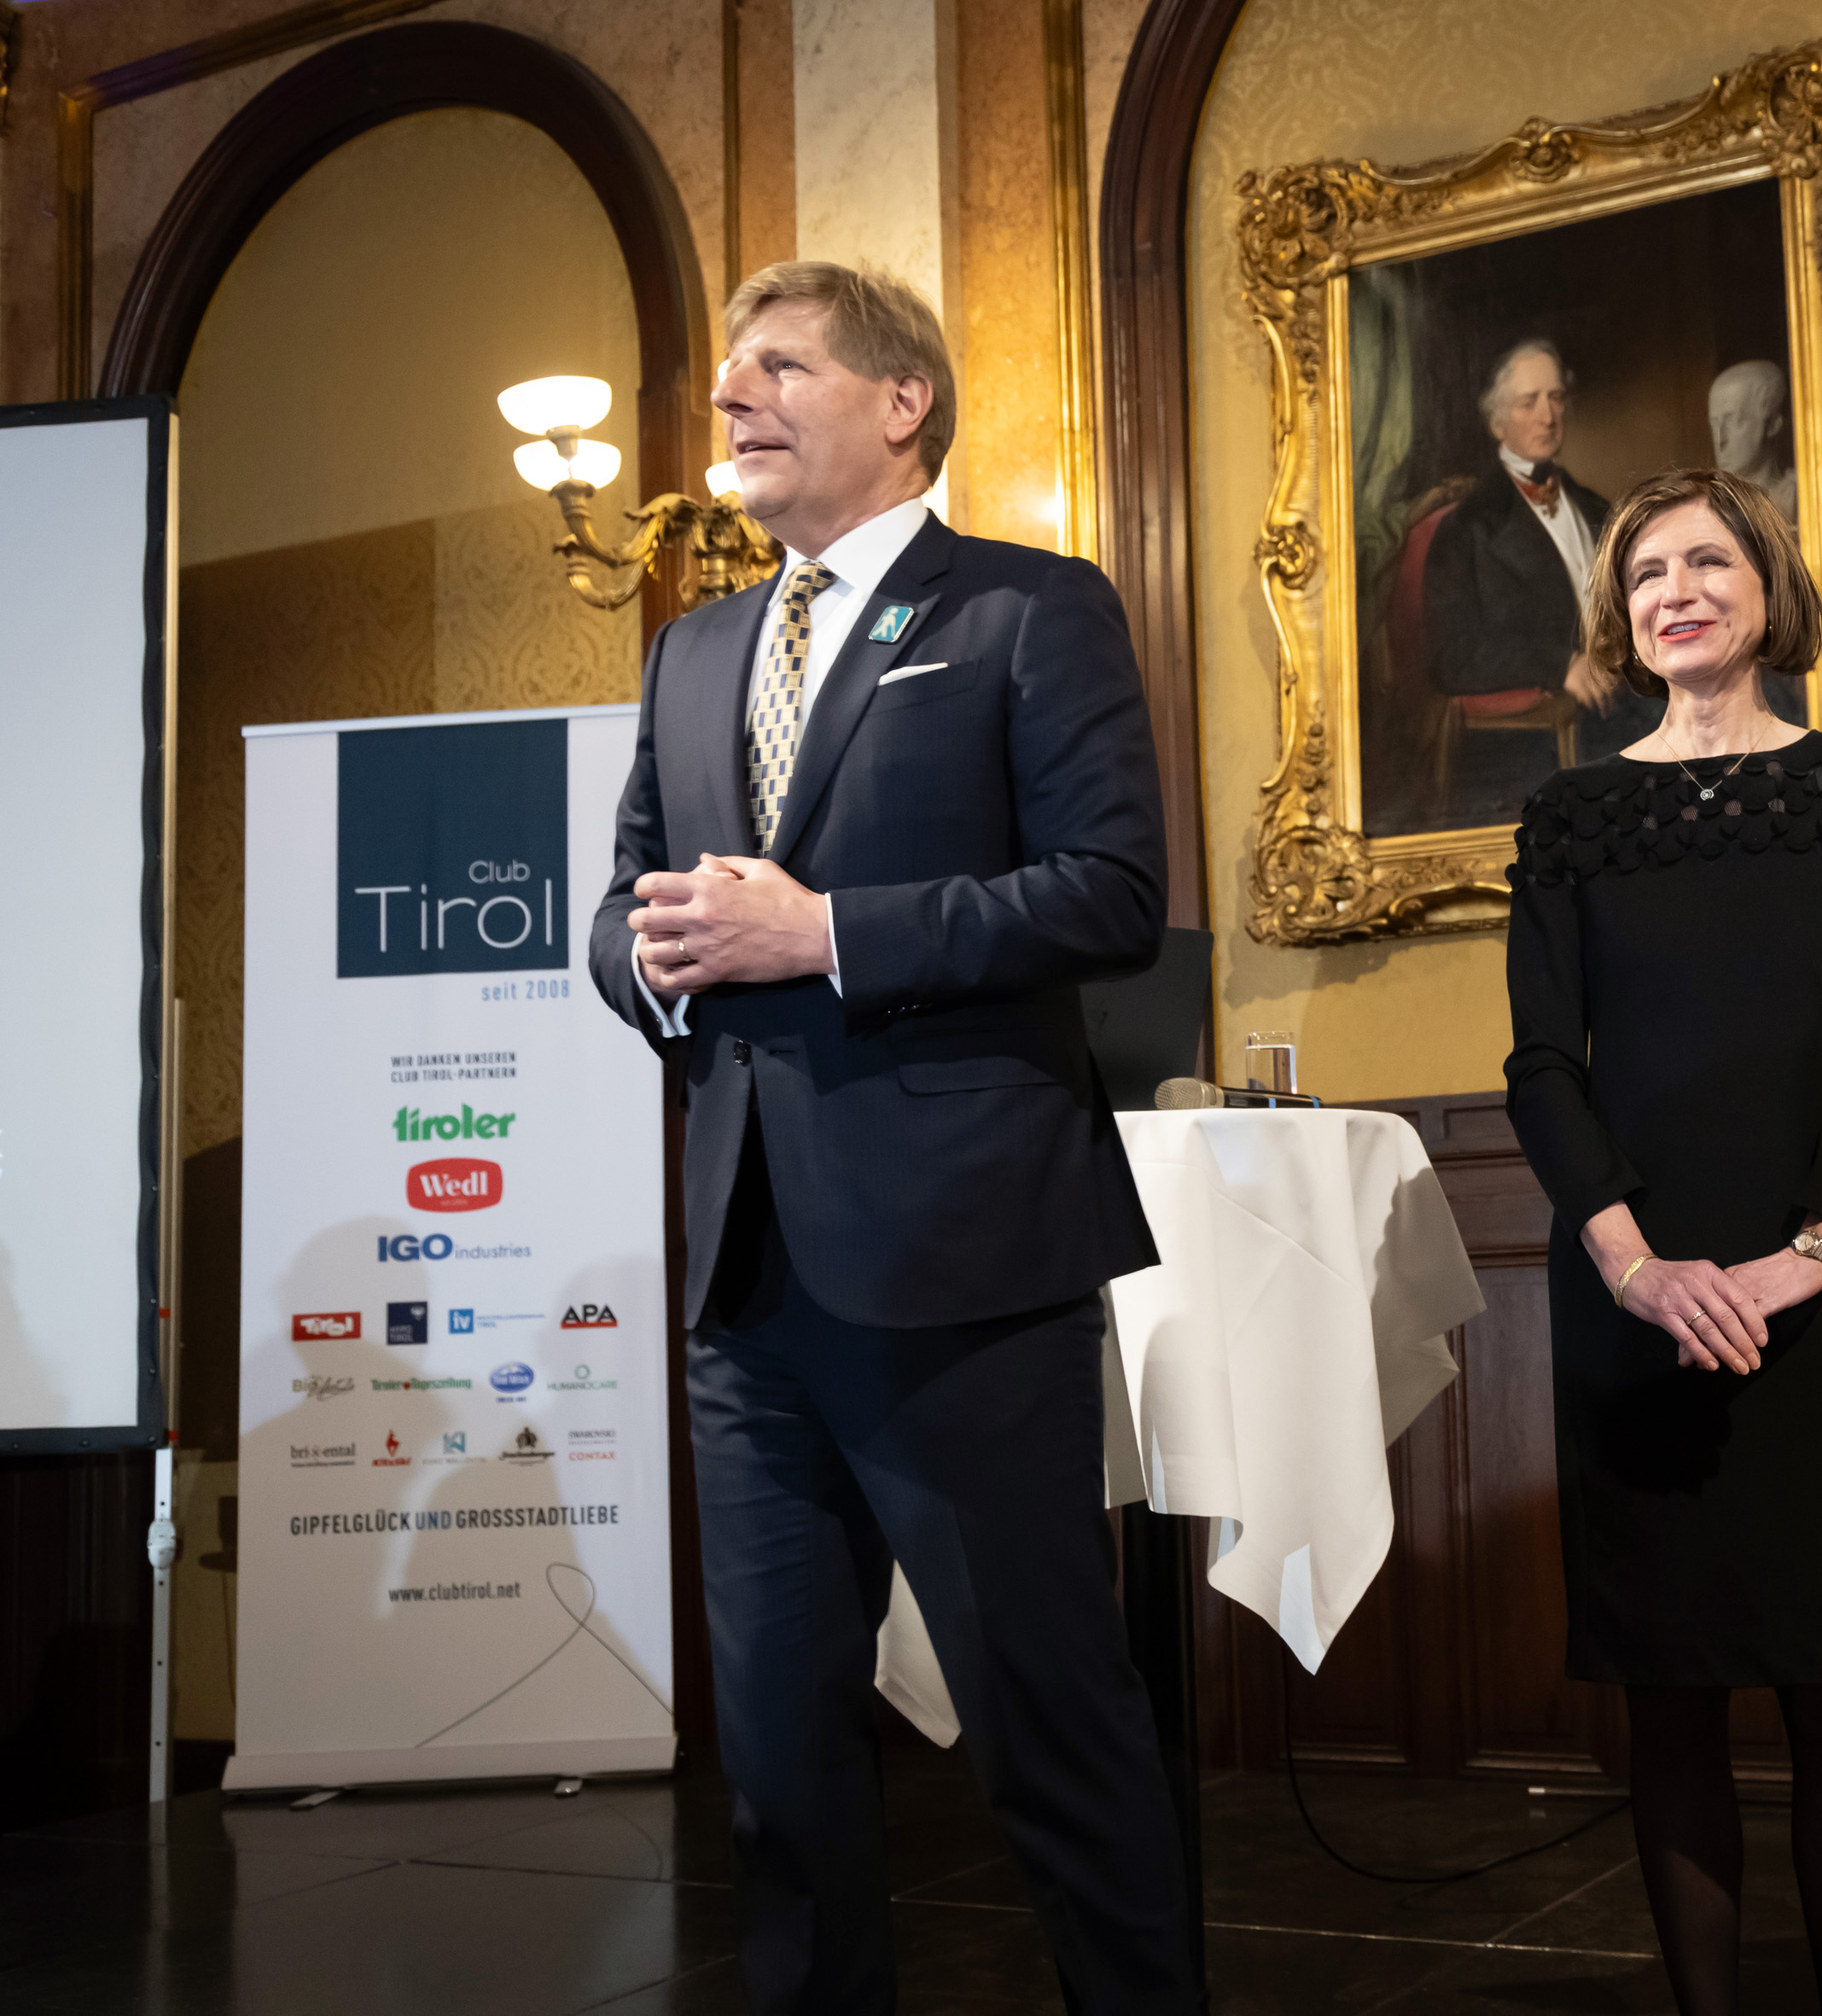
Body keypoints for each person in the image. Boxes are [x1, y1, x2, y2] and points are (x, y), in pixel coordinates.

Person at [587, 261, 1198, 2016]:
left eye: (779, 367)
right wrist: (652, 964)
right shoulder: (693, 648)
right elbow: (623, 907)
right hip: (745, 1276)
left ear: (902, 400)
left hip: (965, 1262)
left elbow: (1109, 892)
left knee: (1048, 1727)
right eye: (729, 375)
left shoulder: (1027, 607)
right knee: (779, 1761)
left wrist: (826, 932)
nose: (731, 398)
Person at [1502, 468, 1822, 2016]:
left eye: (1705, 562)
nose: (1673, 592)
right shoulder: (1571, 813)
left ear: (1766, 587)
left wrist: (1807, 1252)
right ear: (1617, 614)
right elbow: (1541, 1065)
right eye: (1643, 574)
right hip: (1632, 1291)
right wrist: (1633, 1265)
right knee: (1671, 1697)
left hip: (1816, 1287)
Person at [1423, 341, 1645, 772]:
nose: (1548, 417)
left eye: (1556, 398)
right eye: (1529, 403)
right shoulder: (1467, 529)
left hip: (1635, 697)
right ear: (1497, 422)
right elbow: (1451, 656)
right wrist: (1560, 665)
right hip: (1548, 739)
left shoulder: (1597, 508)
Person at [1705, 358, 1799, 523]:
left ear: (1772, 425)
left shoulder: (1799, 497)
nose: (1721, 441)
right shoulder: (1709, 504)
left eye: (1736, 422)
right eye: (1715, 424)